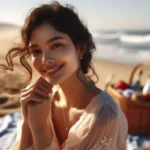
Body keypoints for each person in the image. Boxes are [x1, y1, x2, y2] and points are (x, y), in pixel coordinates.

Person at [1, 1, 128, 150]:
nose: (45, 59)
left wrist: (39, 129)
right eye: (36, 51)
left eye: (56, 45)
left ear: (80, 48)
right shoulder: (41, 100)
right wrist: (27, 122)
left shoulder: (104, 116)